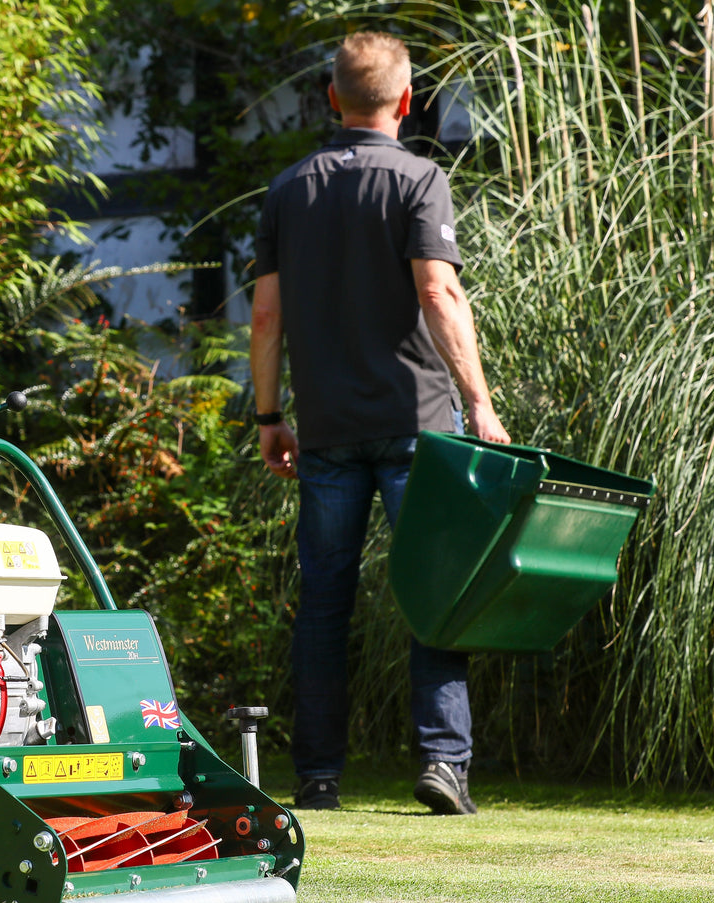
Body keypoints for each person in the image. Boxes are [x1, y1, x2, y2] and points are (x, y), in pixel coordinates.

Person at [249, 31, 510, 814]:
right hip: (416, 425)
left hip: (324, 430)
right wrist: (479, 402)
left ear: (331, 98)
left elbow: (265, 315)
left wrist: (268, 414)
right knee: (431, 589)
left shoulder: (287, 189)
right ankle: (442, 762)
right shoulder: (420, 178)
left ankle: (317, 774)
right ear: (405, 101)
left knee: (323, 600)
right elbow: (439, 293)